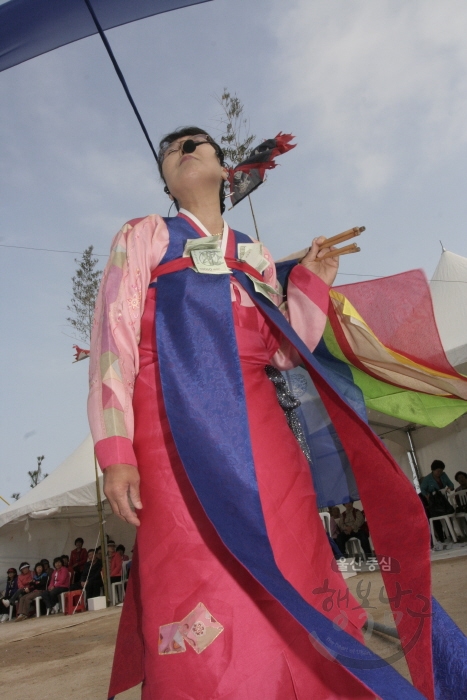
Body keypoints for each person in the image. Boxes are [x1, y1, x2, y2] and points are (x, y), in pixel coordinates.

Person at [88, 127, 437, 699]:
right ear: (167, 178)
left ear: (226, 170)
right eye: (172, 148)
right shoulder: (147, 234)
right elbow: (112, 342)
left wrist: (313, 286)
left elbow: (280, 351)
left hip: (262, 433)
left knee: (290, 557)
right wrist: (115, 452)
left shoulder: (255, 255)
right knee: (194, 566)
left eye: (198, 142)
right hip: (171, 433)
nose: (184, 148)